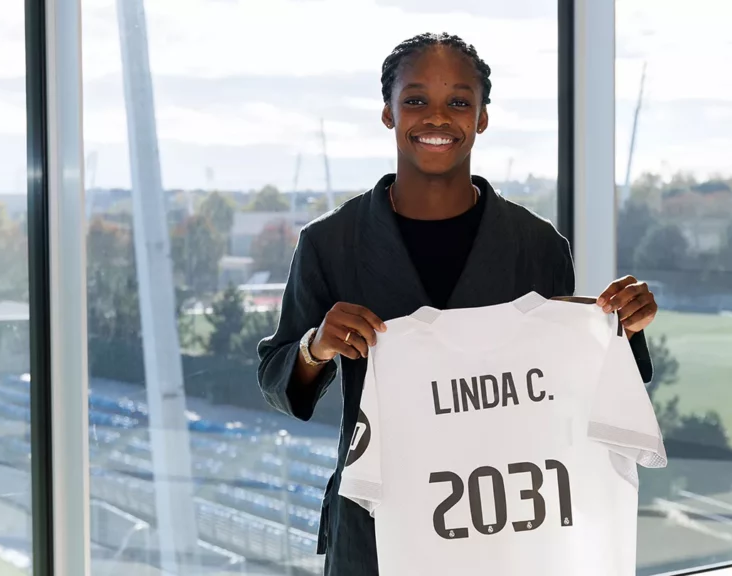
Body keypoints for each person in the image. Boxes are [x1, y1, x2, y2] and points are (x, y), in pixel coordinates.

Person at [257, 32, 659, 576]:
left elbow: (572, 386)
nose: (437, 118)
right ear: (387, 112)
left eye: (459, 102)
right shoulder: (330, 243)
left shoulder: (537, 246)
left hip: (507, 522)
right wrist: (316, 347)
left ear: (483, 117)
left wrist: (623, 329)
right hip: (376, 528)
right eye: (416, 100)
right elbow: (278, 380)